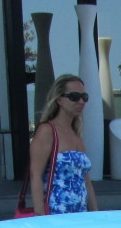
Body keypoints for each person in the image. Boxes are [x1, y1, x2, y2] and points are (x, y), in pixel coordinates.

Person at [29, 74, 98, 215]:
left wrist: (95, 212)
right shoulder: (47, 131)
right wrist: (40, 217)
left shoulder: (75, 133)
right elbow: (35, 175)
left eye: (84, 97)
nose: (81, 101)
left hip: (80, 214)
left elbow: (85, 179)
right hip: (56, 214)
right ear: (59, 99)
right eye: (74, 96)